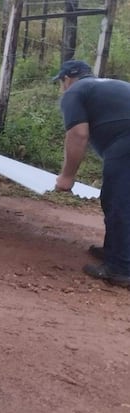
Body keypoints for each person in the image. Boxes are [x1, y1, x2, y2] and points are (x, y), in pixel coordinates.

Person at [53, 59, 130, 287]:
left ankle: (121, 269)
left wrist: (67, 177)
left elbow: (78, 134)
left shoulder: (75, 91)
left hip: (125, 142)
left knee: (118, 202)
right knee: (120, 198)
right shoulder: (111, 86)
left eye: (61, 82)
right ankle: (115, 252)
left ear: (67, 79)